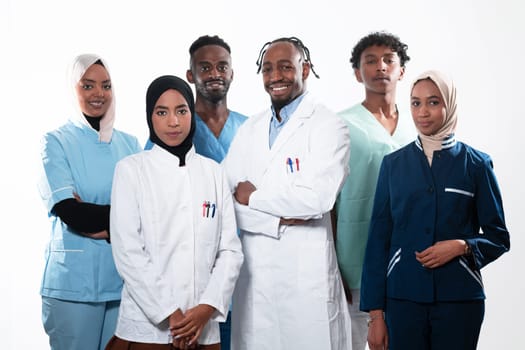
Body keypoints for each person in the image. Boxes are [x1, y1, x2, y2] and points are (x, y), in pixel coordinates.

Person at [360, 70, 510, 350]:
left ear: (449, 105)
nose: (423, 112)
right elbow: (378, 241)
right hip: (402, 299)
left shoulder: (476, 165)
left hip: (459, 300)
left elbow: (499, 238)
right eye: (416, 103)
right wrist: (375, 315)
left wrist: (461, 245)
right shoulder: (393, 165)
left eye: (433, 102)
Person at [223, 36, 352, 350]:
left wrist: (254, 198)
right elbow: (224, 197)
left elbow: (316, 199)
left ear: (304, 69)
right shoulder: (249, 129)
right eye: (267, 69)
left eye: (285, 67)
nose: (275, 76)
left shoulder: (328, 126)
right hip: (256, 281)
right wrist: (277, 219)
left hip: (305, 279)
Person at [106, 75, 244, 350]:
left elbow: (230, 250)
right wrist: (172, 314)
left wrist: (206, 308)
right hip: (148, 328)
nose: (173, 122)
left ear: (191, 114)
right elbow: (128, 252)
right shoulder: (131, 170)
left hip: (202, 328)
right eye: (162, 112)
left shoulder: (214, 173)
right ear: (150, 117)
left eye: (181, 111)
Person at [38, 53, 142, 350]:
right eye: (88, 86)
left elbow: (147, 213)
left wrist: (102, 220)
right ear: (73, 88)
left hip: (122, 282)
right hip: (73, 285)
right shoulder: (55, 142)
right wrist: (120, 220)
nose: (99, 94)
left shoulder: (130, 144)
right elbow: (72, 213)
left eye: (106, 86)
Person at [332, 31, 413, 350]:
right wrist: (333, 264)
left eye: (389, 60)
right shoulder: (341, 125)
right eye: (370, 61)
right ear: (357, 73)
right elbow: (328, 201)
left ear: (401, 70)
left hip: (407, 258)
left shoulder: (416, 125)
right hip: (354, 260)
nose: (381, 67)